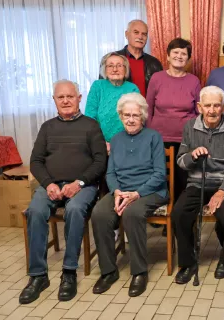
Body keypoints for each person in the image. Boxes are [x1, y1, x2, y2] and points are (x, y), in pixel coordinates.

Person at [20, 80, 107, 304]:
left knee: (75, 210)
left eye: (70, 96)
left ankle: (69, 273)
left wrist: (79, 183)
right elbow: (36, 161)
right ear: (54, 101)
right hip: (51, 184)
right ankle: (38, 276)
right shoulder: (47, 127)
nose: (66, 101)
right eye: (61, 97)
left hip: (83, 186)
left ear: (80, 98)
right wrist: (49, 183)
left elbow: (100, 161)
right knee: (35, 211)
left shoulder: (91, 126)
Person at [91, 93, 168, 297]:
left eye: (135, 115)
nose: (131, 119)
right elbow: (111, 172)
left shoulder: (154, 137)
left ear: (142, 116)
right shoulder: (115, 140)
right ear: (120, 116)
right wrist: (116, 191)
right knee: (99, 213)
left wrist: (136, 193)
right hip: (121, 190)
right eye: (127, 115)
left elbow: (160, 174)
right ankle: (108, 271)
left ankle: (139, 272)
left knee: (132, 214)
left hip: (150, 191)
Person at [172, 86, 224, 283]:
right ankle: (188, 263)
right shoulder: (189, 127)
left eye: (216, 105)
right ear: (199, 107)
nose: (212, 110)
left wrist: (222, 191)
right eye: (208, 105)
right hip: (196, 183)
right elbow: (180, 161)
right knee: (179, 213)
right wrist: (192, 156)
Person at [146, 38, 201, 205]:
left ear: (188, 59)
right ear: (168, 56)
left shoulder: (194, 81)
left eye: (184, 53)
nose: (179, 56)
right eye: (175, 52)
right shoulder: (157, 78)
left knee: (182, 179)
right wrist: (149, 135)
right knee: (160, 177)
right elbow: (148, 108)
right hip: (159, 138)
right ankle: (161, 215)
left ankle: (178, 216)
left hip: (186, 139)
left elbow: (199, 111)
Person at [86, 52, 139, 146]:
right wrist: (101, 142)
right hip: (100, 143)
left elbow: (137, 118)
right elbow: (90, 117)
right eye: (110, 66)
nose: (115, 69)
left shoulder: (132, 88)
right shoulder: (97, 86)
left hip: (127, 143)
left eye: (119, 66)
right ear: (104, 69)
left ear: (125, 69)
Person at [102, 20, 163, 97]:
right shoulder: (110, 59)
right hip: (118, 107)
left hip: (146, 108)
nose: (140, 37)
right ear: (126, 34)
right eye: (136, 32)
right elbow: (102, 90)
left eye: (144, 34)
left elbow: (161, 93)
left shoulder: (155, 63)